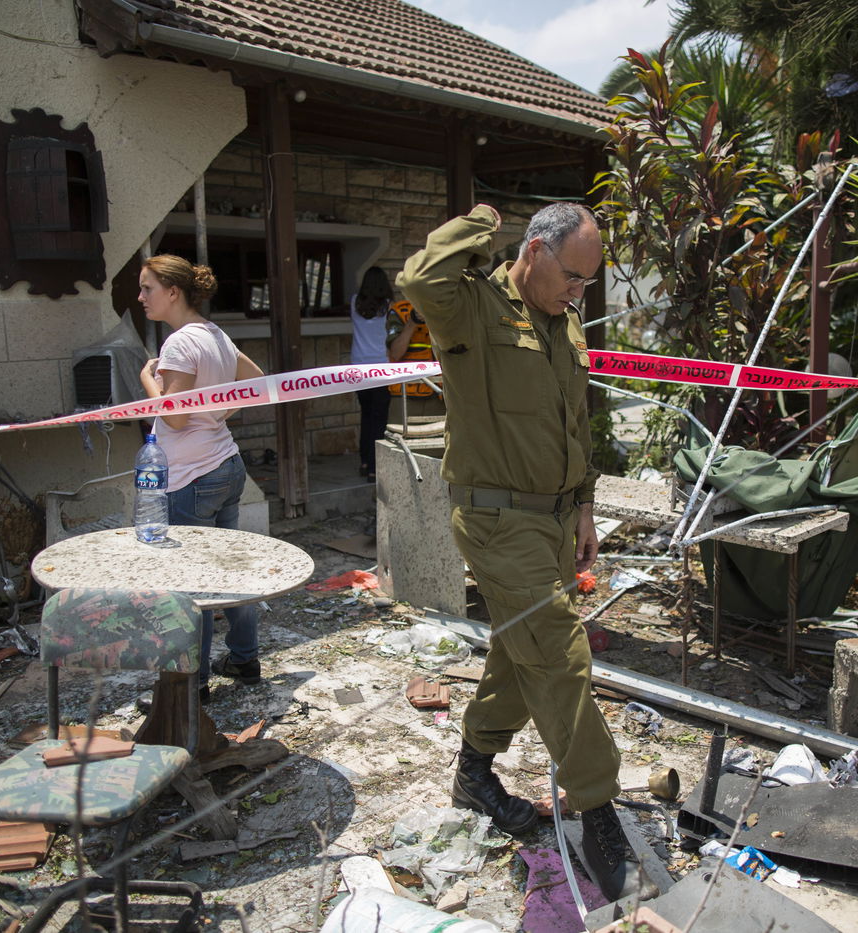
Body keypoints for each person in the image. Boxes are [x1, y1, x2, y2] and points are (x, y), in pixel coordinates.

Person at [397, 203, 652, 902]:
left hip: (553, 517)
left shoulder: (563, 319)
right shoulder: (472, 309)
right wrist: (481, 221)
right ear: (534, 252)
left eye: (587, 281)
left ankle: (474, 771)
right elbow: (420, 277)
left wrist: (585, 506)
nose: (580, 291)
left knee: (520, 646)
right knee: (560, 654)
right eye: (572, 275)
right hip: (495, 517)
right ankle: (598, 809)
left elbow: (574, 419)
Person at [137, 254, 265, 699]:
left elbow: (172, 419)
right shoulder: (216, 334)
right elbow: (256, 379)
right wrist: (220, 414)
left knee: (193, 585)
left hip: (191, 476)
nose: (141, 298)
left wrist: (147, 378)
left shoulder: (177, 345)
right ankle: (245, 659)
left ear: (173, 292)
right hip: (225, 464)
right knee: (229, 572)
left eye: (147, 288)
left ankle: (195, 683)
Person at [349, 266, 393, 480]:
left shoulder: (354, 302)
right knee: (380, 419)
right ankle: (376, 467)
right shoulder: (388, 307)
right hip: (382, 368)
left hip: (358, 368)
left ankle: (365, 462)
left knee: (365, 416)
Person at [385, 297, 445, 424]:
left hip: (438, 392)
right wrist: (413, 321)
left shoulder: (443, 309)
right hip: (405, 394)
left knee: (438, 441)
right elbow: (395, 353)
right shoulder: (400, 312)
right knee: (400, 439)